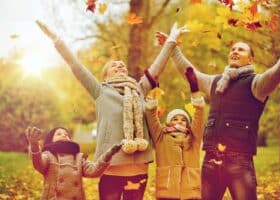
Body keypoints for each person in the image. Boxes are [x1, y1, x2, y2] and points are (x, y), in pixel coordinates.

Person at [36, 20, 188, 200]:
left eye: (122, 64)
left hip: (139, 168)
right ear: (105, 76)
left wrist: (171, 40)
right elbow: (76, 66)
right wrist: (57, 39)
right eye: (114, 65)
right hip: (111, 169)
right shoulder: (100, 90)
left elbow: (156, 69)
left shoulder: (139, 89)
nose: (120, 65)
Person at [156, 24, 280, 199]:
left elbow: (276, 73)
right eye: (233, 49)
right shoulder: (216, 82)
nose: (235, 51)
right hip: (210, 160)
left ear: (250, 60)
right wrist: (172, 47)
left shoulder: (256, 84)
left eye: (241, 50)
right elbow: (190, 74)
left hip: (239, 163)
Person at [145, 67, 205, 200]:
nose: (180, 121)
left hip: (190, 191)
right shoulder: (161, 136)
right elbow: (151, 115)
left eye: (183, 119)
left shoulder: (193, 137)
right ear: (168, 122)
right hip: (167, 190)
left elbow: (199, 116)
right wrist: (155, 91)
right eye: (175, 119)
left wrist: (195, 90)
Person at [25, 126, 121, 200]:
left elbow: (93, 171)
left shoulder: (78, 157)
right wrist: (34, 145)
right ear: (51, 140)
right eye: (59, 134)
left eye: (66, 134)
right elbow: (38, 163)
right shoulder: (49, 155)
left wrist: (107, 156)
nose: (64, 135)